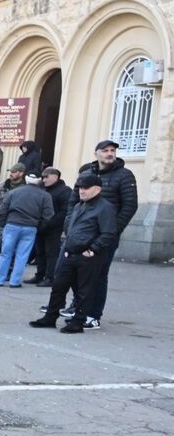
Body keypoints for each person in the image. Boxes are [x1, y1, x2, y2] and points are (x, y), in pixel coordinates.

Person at [30, 173, 116, 334]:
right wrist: (68, 247)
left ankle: (78, 321)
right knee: (58, 286)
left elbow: (108, 233)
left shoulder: (105, 207)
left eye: (85, 188)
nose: (81, 191)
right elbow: (71, 227)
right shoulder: (79, 206)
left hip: (88, 256)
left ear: (97, 189)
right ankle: (50, 317)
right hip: (71, 252)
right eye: (80, 187)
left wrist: (92, 250)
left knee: (84, 291)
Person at [72, 139, 139, 329]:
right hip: (81, 234)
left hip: (105, 236)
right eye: (105, 150)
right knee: (77, 273)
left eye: (112, 151)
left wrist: (111, 232)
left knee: (98, 275)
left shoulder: (125, 175)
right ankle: (79, 309)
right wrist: (71, 228)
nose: (110, 153)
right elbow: (73, 202)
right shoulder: (86, 173)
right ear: (97, 154)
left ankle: (93, 315)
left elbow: (129, 206)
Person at [0, 174, 53, 287]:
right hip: (30, 227)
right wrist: (39, 227)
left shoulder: (14, 192)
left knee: (5, 253)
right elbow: (48, 216)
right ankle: (14, 282)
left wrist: (3, 223)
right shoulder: (45, 195)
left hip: (12, 225)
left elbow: (2, 210)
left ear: (26, 179)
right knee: (22, 255)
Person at [34, 167, 72, 286]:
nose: (44, 180)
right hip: (40, 226)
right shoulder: (41, 188)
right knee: (39, 252)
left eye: (47, 177)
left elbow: (65, 210)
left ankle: (50, 277)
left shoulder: (64, 191)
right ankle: (40, 275)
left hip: (53, 228)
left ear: (55, 177)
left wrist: (50, 223)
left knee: (51, 253)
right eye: (43, 177)